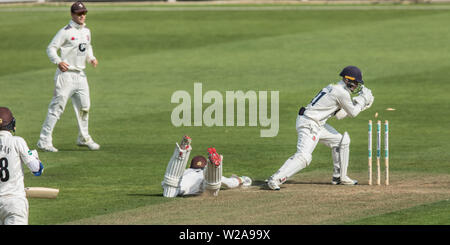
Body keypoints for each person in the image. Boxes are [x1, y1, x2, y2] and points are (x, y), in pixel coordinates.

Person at [267, 66, 374, 190]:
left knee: (341, 141)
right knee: (304, 157)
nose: (356, 86)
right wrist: (363, 100)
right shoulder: (341, 93)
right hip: (309, 124)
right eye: (355, 83)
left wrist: (360, 104)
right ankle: (275, 179)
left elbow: (340, 115)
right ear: (347, 80)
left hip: (317, 124)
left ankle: (339, 177)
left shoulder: (336, 88)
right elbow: (353, 113)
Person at [37, 1, 99, 152]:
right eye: (79, 13)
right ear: (72, 15)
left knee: (85, 107)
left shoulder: (86, 31)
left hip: (81, 75)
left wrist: (91, 58)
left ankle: (83, 137)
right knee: (57, 108)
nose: (82, 16)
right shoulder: (65, 31)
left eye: (84, 13)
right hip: (66, 76)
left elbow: (87, 46)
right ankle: (44, 141)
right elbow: (51, 48)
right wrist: (58, 61)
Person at [161, 136, 252, 197]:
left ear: (190, 165)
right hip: (204, 187)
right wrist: (241, 179)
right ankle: (214, 166)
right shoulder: (203, 173)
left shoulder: (185, 171)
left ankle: (182, 152)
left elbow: (164, 183)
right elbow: (229, 183)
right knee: (212, 185)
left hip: (174, 190)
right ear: (205, 167)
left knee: (172, 180)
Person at [0, 107, 44, 225]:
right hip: (15, 203)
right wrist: (35, 156)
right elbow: (36, 169)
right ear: (12, 124)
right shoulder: (17, 141)